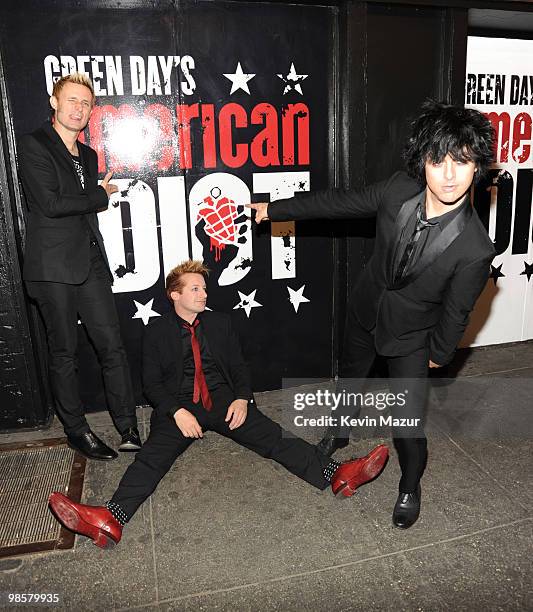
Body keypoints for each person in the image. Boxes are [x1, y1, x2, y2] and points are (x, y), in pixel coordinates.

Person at [248, 101, 495, 529]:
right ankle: (339, 432)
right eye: (439, 161)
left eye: (463, 161)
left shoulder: (476, 247)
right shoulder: (398, 190)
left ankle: (410, 484)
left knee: (408, 427)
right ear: (423, 161)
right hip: (366, 311)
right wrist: (275, 210)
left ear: (478, 167)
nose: (450, 174)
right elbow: (336, 202)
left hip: (412, 339)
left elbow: (458, 311)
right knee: (351, 378)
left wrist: (438, 354)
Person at [48, 260, 389, 548]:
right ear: (175, 295)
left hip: (223, 399)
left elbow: (240, 368)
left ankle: (338, 474)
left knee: (273, 438)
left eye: (204, 288)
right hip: (179, 404)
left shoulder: (221, 323)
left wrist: (243, 398)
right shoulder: (156, 332)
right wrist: (175, 411)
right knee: (151, 459)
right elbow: (151, 384)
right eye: (194, 288)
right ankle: (111, 519)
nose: (203, 293)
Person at [18, 72, 141, 460]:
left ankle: (128, 425)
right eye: (71, 100)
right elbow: (51, 204)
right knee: (64, 352)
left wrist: (94, 199)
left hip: (89, 263)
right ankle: (76, 430)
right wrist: (99, 196)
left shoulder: (88, 156)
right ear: (54, 103)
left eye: (86, 103)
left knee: (112, 347)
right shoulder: (35, 145)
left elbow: (81, 211)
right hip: (52, 267)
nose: (79, 108)